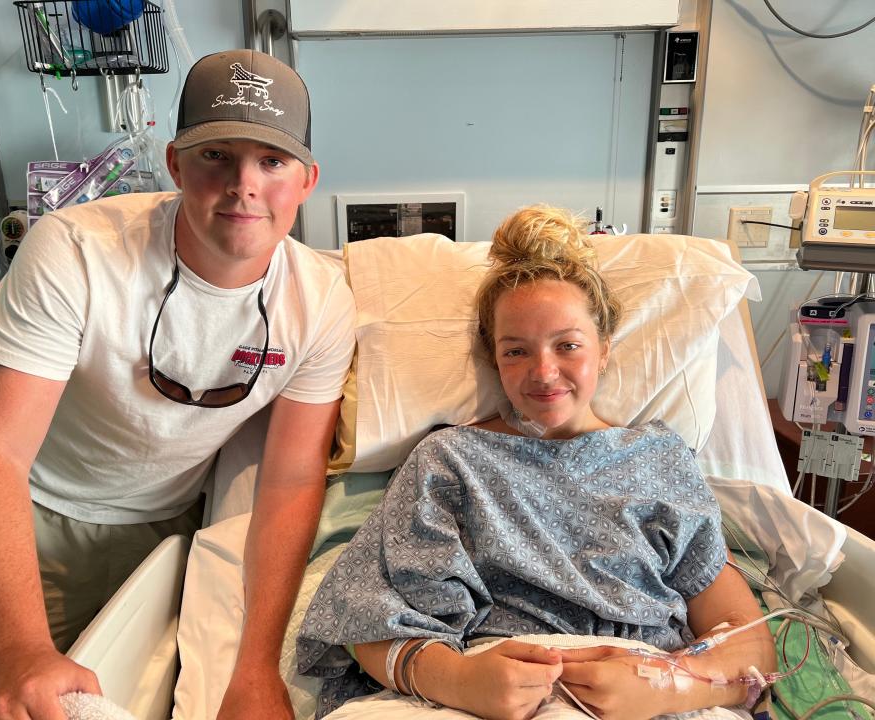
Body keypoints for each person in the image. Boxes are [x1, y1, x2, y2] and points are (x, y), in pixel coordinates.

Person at [0, 49, 355, 720]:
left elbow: (291, 478)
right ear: (175, 164)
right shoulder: (74, 252)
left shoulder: (322, 301)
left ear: (308, 180)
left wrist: (254, 669)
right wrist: (16, 651)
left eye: (272, 161)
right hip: (38, 521)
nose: (244, 184)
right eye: (217, 154)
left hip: (173, 531)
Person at [297, 206, 776, 720]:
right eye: (516, 352)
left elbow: (747, 642)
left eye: (567, 345)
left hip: (647, 686)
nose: (544, 372)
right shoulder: (451, 459)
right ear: (493, 358)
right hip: (484, 689)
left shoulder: (659, 457)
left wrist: (668, 685)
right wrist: (458, 680)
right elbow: (361, 621)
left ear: (606, 349)